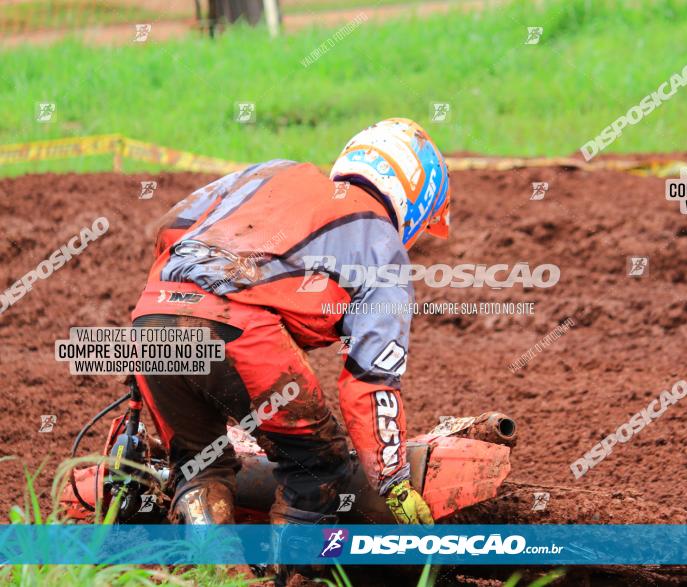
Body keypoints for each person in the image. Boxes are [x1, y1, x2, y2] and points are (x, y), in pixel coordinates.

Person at [130, 118, 449, 531]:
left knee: (199, 464)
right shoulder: (381, 243)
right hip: (240, 332)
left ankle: (216, 573)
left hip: (150, 317)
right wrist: (393, 483)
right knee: (317, 465)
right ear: (417, 198)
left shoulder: (272, 171)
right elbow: (371, 383)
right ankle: (293, 573)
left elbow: (170, 226)